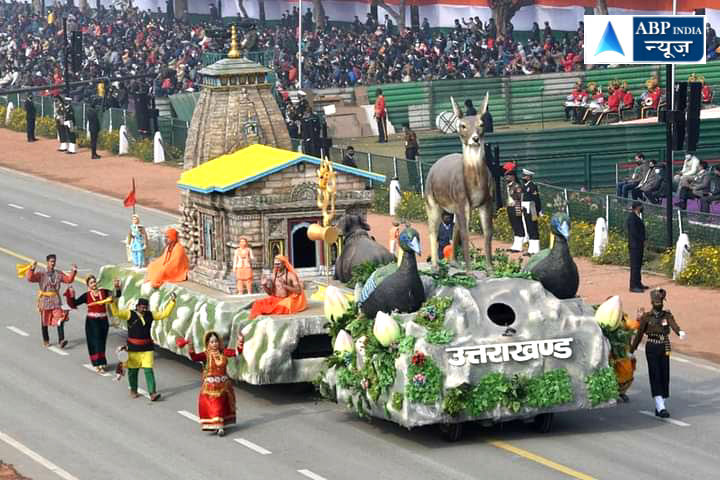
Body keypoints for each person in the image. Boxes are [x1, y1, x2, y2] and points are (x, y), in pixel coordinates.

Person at [110, 280, 177, 401]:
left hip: (147, 348)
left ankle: (152, 393)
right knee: (133, 371)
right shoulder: (129, 314)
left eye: (146, 307)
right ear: (137, 306)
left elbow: (164, 314)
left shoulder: (150, 315)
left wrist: (172, 302)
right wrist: (112, 303)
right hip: (133, 348)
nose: (144, 308)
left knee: (148, 370)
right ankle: (133, 389)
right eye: (142, 306)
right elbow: (115, 312)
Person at [630, 288, 686, 418]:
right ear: (651, 302)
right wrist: (631, 351)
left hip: (664, 347)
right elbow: (638, 335)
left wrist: (679, 332)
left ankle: (661, 404)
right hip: (652, 347)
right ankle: (660, 406)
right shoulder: (646, 317)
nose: (658, 303)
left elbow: (673, 324)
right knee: (655, 374)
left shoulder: (666, 315)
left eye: (660, 301)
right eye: (656, 301)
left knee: (664, 375)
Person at [177, 331, 243, 436]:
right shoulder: (205, 355)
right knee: (216, 406)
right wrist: (190, 347)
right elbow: (194, 357)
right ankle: (219, 426)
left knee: (222, 406)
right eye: (212, 342)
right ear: (208, 343)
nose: (214, 344)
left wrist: (240, 342)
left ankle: (220, 425)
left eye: (216, 341)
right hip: (210, 388)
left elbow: (235, 352)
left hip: (224, 386)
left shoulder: (223, 353)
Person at [24, 255, 77, 348]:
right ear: (47, 262)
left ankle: (61, 340)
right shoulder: (41, 273)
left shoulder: (58, 274)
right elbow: (30, 278)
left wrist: (74, 271)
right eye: (51, 261)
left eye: (54, 261)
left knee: (60, 319)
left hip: (55, 300)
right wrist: (32, 269)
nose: (53, 263)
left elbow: (69, 280)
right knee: (45, 321)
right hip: (45, 300)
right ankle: (46, 340)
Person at [65, 275, 113, 373]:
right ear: (88, 285)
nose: (94, 284)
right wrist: (71, 294)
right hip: (92, 322)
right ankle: (98, 363)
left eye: (94, 281)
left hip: (103, 321)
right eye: (91, 283)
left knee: (102, 341)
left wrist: (117, 287)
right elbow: (74, 304)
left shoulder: (104, 292)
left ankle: (101, 363)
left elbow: (116, 295)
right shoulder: (86, 296)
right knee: (96, 341)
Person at [249, 255, 307, 320]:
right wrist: (264, 285)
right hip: (275, 299)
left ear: (284, 264)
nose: (276, 266)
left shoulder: (291, 275)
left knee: (266, 309)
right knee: (257, 304)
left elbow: (299, 291)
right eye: (275, 264)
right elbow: (270, 293)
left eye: (278, 264)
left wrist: (285, 286)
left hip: (286, 301)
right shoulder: (273, 275)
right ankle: (252, 321)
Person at [626, 201, 647, 293]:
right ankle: (633, 286)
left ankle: (638, 283)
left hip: (638, 245)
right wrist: (642, 239)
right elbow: (634, 232)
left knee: (638, 265)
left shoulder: (635, 217)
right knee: (635, 266)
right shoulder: (632, 218)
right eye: (641, 207)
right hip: (635, 245)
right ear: (637, 207)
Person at [521, 168, 541, 255]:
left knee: (533, 228)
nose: (523, 177)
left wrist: (538, 210)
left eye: (525, 176)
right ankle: (531, 249)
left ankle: (536, 249)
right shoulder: (524, 186)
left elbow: (536, 199)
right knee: (529, 227)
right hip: (525, 207)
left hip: (532, 207)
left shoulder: (532, 186)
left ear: (529, 177)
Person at [505, 169, 526, 252]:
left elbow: (520, 197)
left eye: (508, 175)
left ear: (513, 177)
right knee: (514, 225)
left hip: (516, 206)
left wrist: (520, 206)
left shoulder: (516, 186)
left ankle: (519, 246)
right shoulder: (508, 186)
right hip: (510, 207)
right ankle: (515, 245)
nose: (507, 177)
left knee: (518, 225)